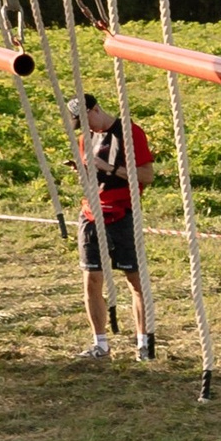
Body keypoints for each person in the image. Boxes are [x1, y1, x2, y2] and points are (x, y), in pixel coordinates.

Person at [71, 94, 153, 362]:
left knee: (135, 281)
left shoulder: (130, 133)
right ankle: (101, 344)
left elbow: (146, 176)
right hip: (91, 214)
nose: (87, 130)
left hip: (123, 213)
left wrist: (108, 167)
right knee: (91, 281)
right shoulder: (85, 139)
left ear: (96, 109)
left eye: (87, 122)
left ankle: (143, 343)